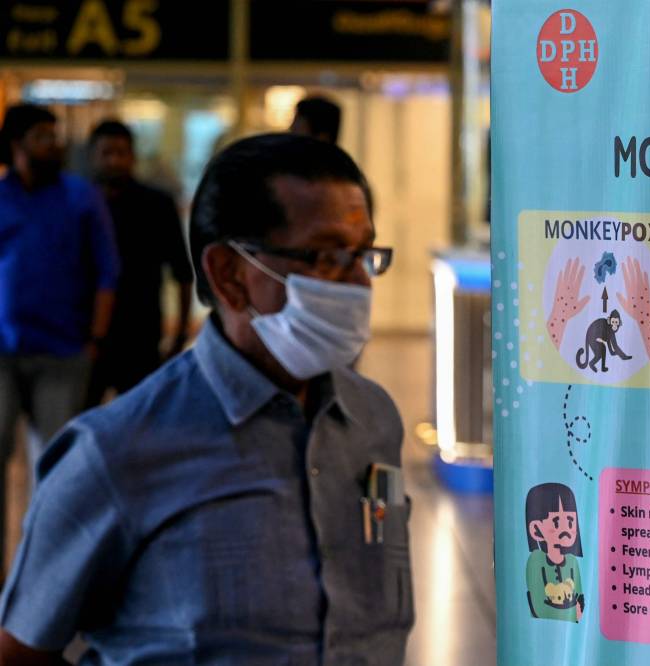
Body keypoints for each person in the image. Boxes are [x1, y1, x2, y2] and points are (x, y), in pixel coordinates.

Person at [0, 134, 412, 664]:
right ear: (230, 275)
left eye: (363, 254)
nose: (359, 282)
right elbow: (20, 652)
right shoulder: (115, 453)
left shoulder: (373, 421)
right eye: (327, 256)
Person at [0, 104, 118, 561]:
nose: (55, 145)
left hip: (64, 351)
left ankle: (43, 568)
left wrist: (95, 339)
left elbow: (108, 271)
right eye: (42, 137)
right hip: (4, 350)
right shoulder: (3, 195)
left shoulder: (81, 196)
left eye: (55, 136)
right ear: (17, 144)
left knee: (54, 465)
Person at [85, 120, 193, 405]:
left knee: (140, 423)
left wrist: (181, 331)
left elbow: (182, 271)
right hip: (86, 333)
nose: (114, 161)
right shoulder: (79, 204)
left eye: (121, 153)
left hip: (140, 333)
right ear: (92, 156)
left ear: (132, 156)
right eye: (106, 153)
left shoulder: (156, 205)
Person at [525, 482, 585, 623]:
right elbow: (539, 607)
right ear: (536, 529)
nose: (566, 529)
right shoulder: (536, 560)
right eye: (556, 522)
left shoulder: (572, 561)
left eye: (570, 522)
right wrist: (572, 613)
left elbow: (580, 600)